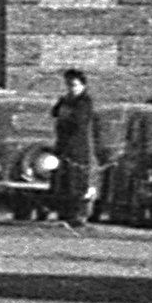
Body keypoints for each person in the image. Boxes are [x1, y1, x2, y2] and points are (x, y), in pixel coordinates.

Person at [49, 67, 102, 227]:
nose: (71, 89)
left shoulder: (85, 102)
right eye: (68, 85)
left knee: (76, 181)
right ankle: (64, 213)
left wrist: (67, 114)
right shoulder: (66, 100)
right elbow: (54, 112)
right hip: (63, 146)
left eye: (74, 85)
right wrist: (64, 102)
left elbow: (78, 122)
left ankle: (78, 215)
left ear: (82, 86)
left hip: (77, 147)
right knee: (62, 181)